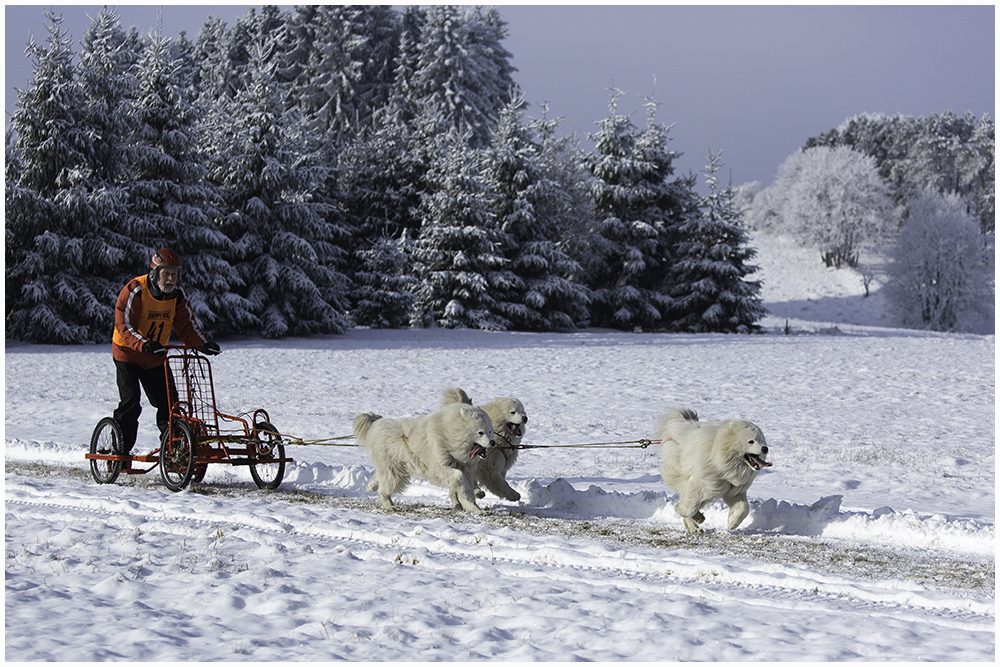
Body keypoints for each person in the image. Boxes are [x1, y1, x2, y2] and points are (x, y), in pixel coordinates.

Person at [112, 248, 220, 455]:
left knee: (171, 405)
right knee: (131, 404)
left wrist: (203, 343)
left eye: (174, 274)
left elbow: (186, 325)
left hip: (156, 356)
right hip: (128, 353)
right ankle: (119, 452)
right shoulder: (135, 289)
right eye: (166, 273)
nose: (170, 279)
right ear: (154, 273)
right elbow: (123, 326)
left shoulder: (178, 294)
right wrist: (143, 344)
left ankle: (174, 449)